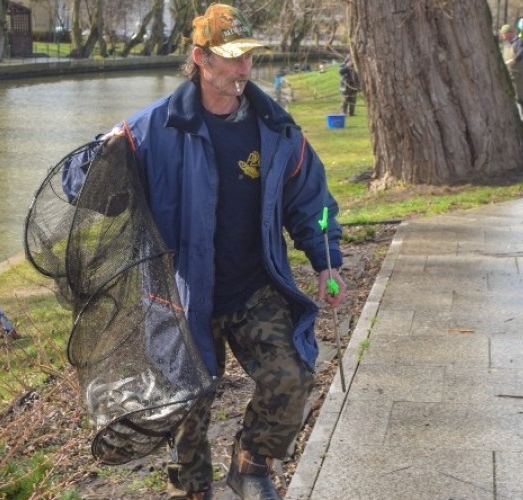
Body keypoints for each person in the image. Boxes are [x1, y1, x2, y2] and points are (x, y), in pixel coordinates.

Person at [102, 4, 347, 499]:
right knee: (186, 409)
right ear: (201, 59)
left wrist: (327, 261)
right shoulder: (151, 129)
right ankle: (193, 490)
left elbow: (311, 200)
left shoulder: (276, 129)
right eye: (233, 57)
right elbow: (88, 193)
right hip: (181, 296)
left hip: (253, 287)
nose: (243, 68)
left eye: (249, 57)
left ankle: (250, 466)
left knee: (291, 376)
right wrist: (102, 159)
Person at [501, 24, 523, 124]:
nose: (502, 36)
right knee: (508, 95)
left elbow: (520, 53)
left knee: (520, 96)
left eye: (504, 34)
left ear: (509, 33)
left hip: (518, 74)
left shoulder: (520, 42)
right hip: (508, 73)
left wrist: (513, 60)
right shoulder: (506, 44)